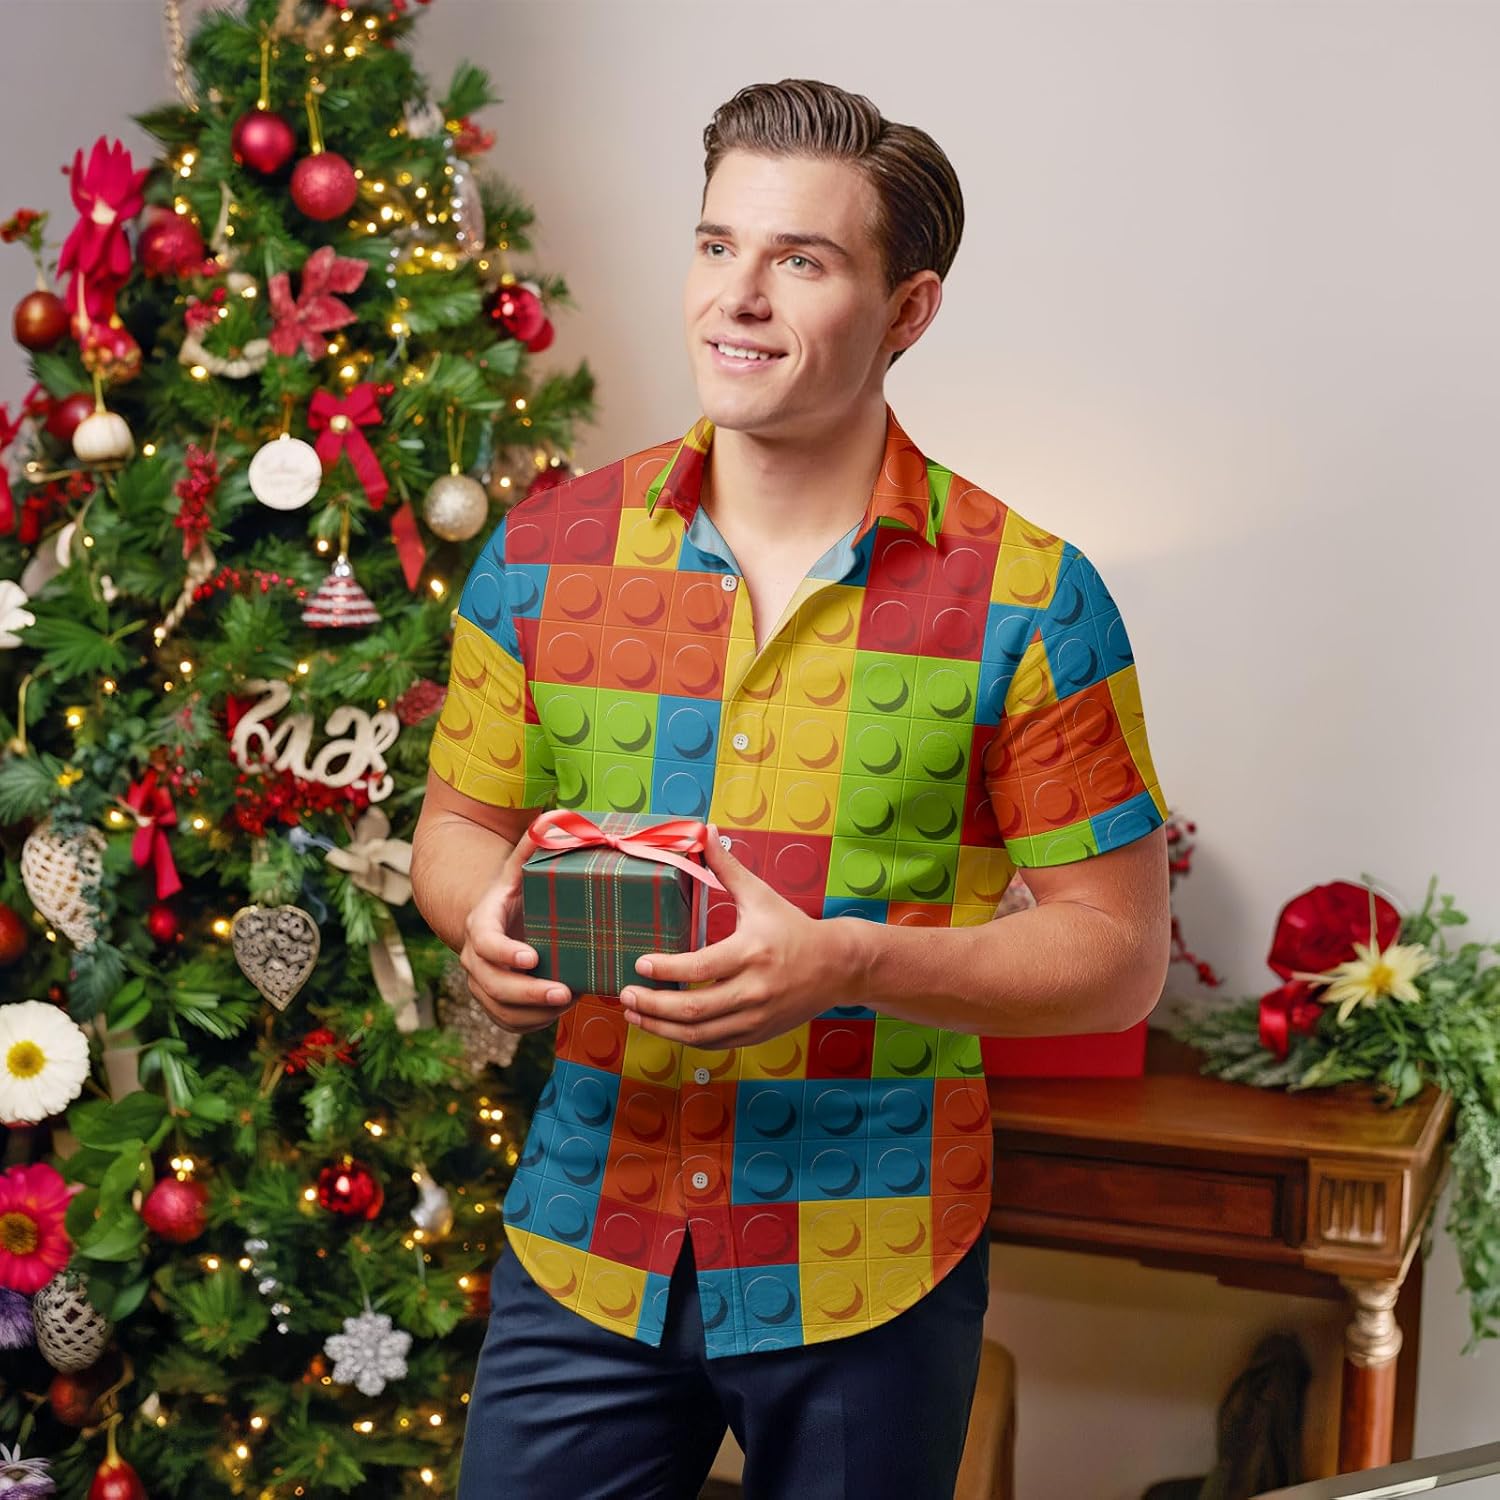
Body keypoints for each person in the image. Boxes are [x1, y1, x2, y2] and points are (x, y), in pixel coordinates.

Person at [412, 77, 1171, 1500]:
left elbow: (1118, 959)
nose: (738, 298)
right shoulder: (546, 552)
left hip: (870, 1256)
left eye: (802, 261)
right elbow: (457, 827)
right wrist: (483, 914)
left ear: (908, 311)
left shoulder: (1034, 600)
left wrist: (850, 963)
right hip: (590, 1232)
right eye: (717, 245)